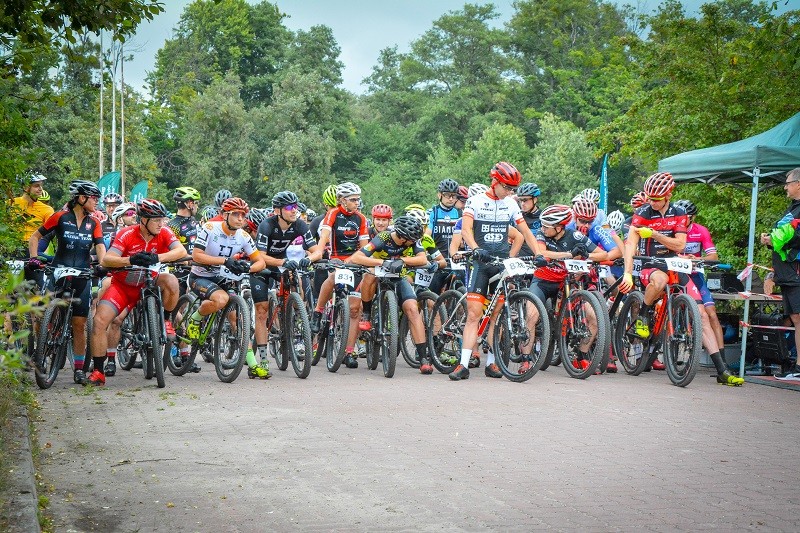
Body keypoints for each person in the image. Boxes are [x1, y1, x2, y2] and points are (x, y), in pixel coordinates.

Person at [619, 172, 743, 385]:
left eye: (656, 199)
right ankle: (644, 315)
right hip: (652, 263)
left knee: (702, 315)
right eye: (649, 197)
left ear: (668, 196)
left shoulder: (679, 213)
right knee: (660, 282)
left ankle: (722, 370)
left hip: (676, 263)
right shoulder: (642, 212)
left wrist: (655, 235)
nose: (651, 202)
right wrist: (628, 273)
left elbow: (680, 246)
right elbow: (630, 244)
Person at [449, 162, 542, 381]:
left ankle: (492, 363)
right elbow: (466, 229)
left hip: (501, 262)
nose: (511, 193)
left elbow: (524, 230)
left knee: (497, 315)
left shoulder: (510, 204)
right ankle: (463, 364)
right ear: (496, 182)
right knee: (474, 314)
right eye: (508, 188)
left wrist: (538, 253)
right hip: (481, 262)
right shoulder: (476, 201)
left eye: (513, 189)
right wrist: (475, 249)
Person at [90, 199, 186, 386]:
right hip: (123, 287)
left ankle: (165, 320)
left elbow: (180, 251)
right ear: (143, 220)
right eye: (156, 219)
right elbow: (108, 259)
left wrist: (157, 257)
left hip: (149, 283)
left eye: (162, 219)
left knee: (172, 281)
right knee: (99, 321)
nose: (161, 223)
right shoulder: (126, 234)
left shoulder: (164, 233)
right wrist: (131, 259)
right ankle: (98, 370)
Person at [29, 180, 106, 385]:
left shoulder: (94, 222)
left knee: (79, 324)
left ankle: (79, 369)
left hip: (82, 274)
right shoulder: (60, 217)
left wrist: (103, 264)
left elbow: (99, 247)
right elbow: (35, 237)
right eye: (93, 198)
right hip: (58, 271)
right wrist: (34, 257)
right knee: (43, 313)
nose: (96, 202)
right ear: (81, 199)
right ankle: (42, 352)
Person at [188, 197, 267, 377]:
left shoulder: (244, 236)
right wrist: (225, 261)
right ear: (224, 215)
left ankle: (253, 365)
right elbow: (197, 255)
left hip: (223, 278)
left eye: (243, 215)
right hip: (200, 275)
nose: (240, 219)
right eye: (236, 214)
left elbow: (260, 261)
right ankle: (195, 318)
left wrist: (248, 267)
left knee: (237, 320)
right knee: (221, 299)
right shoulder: (209, 228)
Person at [348, 215, 433, 373]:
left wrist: (402, 260)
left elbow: (422, 259)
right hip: (378, 273)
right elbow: (357, 257)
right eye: (409, 241)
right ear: (401, 236)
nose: (412, 243)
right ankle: (366, 313)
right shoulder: (384, 237)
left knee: (413, 309)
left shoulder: (412, 238)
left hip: (398, 277)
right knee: (369, 276)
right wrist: (383, 262)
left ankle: (423, 359)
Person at [529, 204, 609, 371]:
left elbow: (603, 254)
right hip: (543, 281)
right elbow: (542, 253)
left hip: (566, 282)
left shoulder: (576, 236)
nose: (543, 228)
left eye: (546, 226)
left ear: (559, 228)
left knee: (593, 317)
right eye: (542, 225)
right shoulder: (542, 235)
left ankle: (580, 355)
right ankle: (526, 359)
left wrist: (586, 255)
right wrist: (570, 255)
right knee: (531, 314)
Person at [253, 191, 322, 376]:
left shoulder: (299, 224)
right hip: (262, 265)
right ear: (277, 210)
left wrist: (310, 258)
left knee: (297, 280)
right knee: (261, 310)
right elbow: (259, 256)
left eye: (296, 206)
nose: (294, 211)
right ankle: (264, 359)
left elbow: (317, 251)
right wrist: (281, 262)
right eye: (290, 207)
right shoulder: (267, 225)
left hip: (281, 263)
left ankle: (295, 316)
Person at [311, 182, 370, 369]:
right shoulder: (333, 214)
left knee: (354, 309)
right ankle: (318, 311)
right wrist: (319, 253)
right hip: (336, 259)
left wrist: (359, 260)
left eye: (358, 199)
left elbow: (365, 247)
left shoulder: (361, 218)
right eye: (353, 200)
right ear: (342, 201)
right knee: (332, 277)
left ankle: (349, 351)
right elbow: (324, 238)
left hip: (355, 261)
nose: (357, 203)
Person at [675, 199, 728, 365]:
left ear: (693, 217)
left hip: (695, 274)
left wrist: (697, 258)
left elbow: (714, 257)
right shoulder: (672, 230)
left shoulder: (701, 231)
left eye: (686, 217)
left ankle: (722, 361)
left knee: (711, 314)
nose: (682, 220)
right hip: (677, 275)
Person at [760, 167, 800, 378]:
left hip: (796, 272)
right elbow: (781, 237)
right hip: (787, 273)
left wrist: (772, 239)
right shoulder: (792, 208)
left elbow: (793, 238)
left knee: (798, 318)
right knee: (794, 317)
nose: (785, 186)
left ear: (799, 184)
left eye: (788, 182)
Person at [11, 173, 54, 290]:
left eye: (41, 186)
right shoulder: (10, 204)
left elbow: (51, 232)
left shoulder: (47, 209)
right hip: (12, 250)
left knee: (48, 291)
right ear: (26, 187)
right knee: (10, 290)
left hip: (33, 251)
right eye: (36, 186)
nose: (40, 189)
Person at [426, 178, 461, 258]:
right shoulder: (432, 212)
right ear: (439, 195)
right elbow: (426, 236)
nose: (451, 199)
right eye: (447, 195)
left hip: (455, 258)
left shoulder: (459, 213)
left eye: (454, 196)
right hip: (437, 258)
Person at [167, 187, 202, 255]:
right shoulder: (172, 226)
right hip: (181, 264)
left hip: (196, 262)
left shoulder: (192, 219)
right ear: (189, 204)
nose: (197, 206)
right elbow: (170, 251)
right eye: (196, 203)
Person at [516, 182, 542, 257]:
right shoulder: (517, 216)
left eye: (525, 200)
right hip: (519, 257)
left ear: (535, 199)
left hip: (538, 257)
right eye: (520, 200)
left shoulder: (542, 217)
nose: (522, 203)